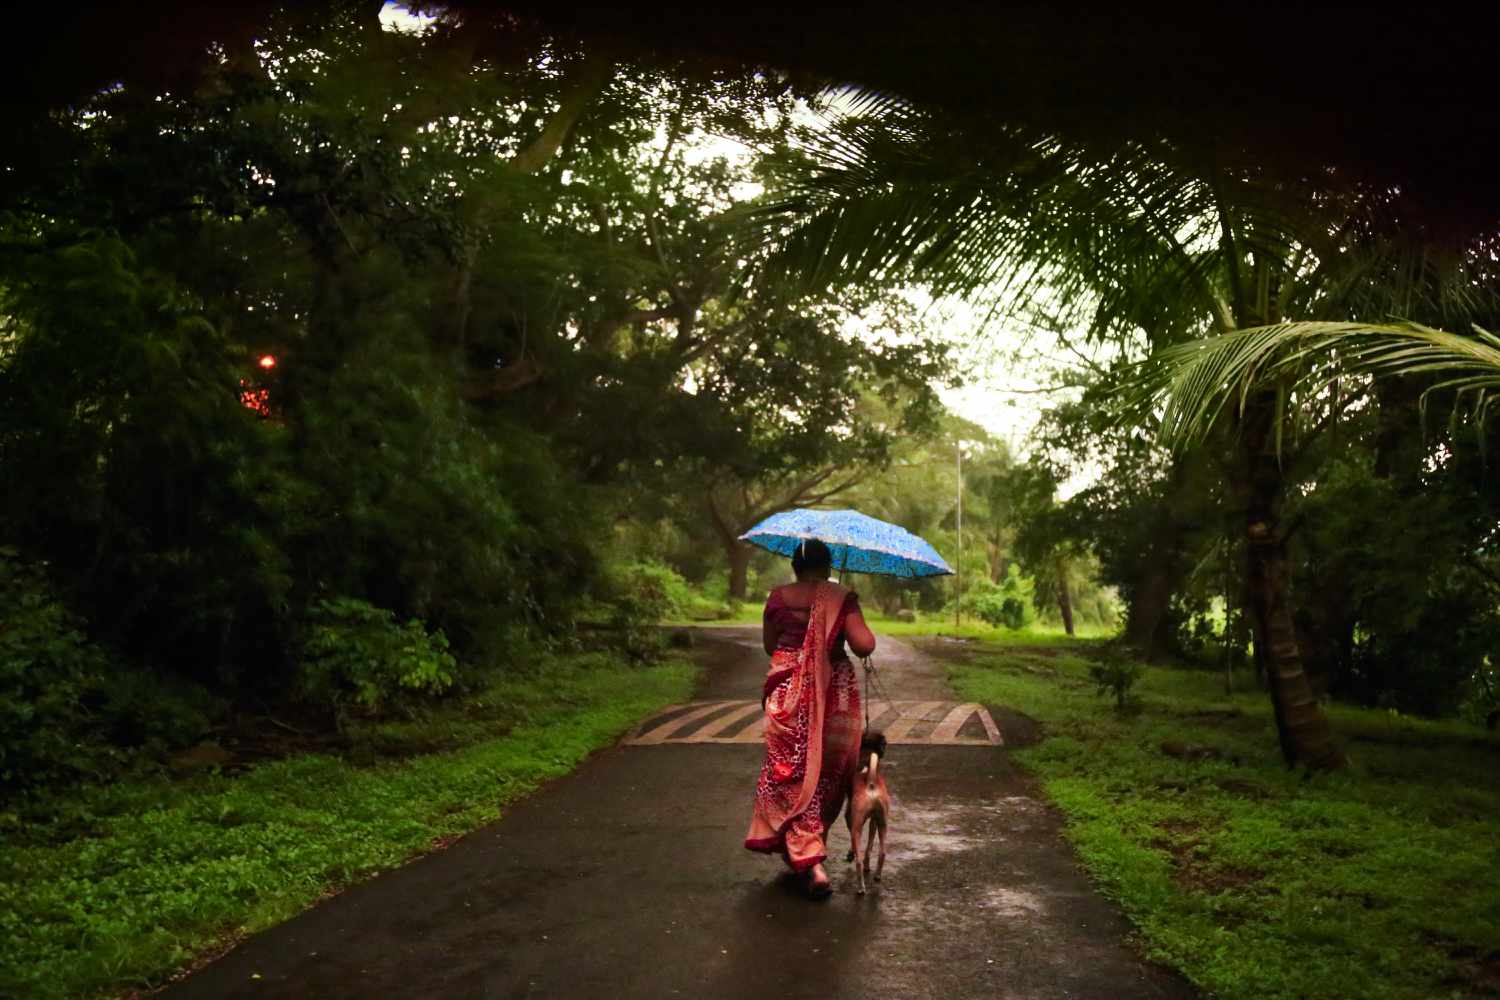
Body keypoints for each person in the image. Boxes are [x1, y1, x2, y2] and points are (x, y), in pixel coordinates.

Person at [743, 538, 877, 898]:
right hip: (835, 698)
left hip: (786, 698)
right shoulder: (840, 598)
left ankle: (809, 858)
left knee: (791, 775)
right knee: (827, 776)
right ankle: (810, 854)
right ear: (829, 566)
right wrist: (846, 606)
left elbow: (772, 646)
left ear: (794, 566)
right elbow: (864, 645)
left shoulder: (776, 598)